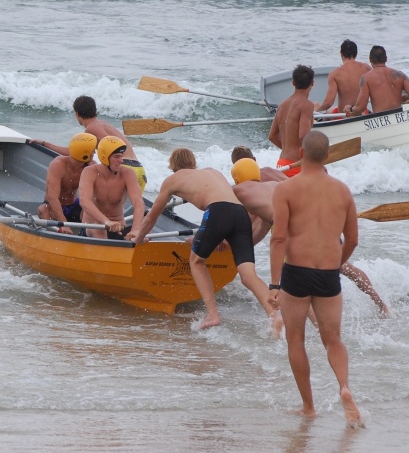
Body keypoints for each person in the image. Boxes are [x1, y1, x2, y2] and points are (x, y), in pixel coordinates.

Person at [128, 148, 282, 334]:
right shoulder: (212, 172)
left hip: (218, 211)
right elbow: (225, 208)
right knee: (248, 275)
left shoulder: (172, 180)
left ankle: (212, 314)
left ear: (173, 167)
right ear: (193, 164)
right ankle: (274, 316)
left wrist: (139, 237)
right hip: (240, 213)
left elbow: (153, 216)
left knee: (196, 261)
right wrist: (211, 237)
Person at [269, 130, 363, 427]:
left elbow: (278, 238)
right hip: (328, 275)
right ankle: (344, 387)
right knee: (333, 339)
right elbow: (352, 240)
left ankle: (309, 408)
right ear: (327, 156)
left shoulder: (285, 189)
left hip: (296, 272)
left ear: (300, 154)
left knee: (296, 340)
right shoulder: (343, 191)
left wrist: (274, 284)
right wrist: (336, 264)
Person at [230, 152, 389, 316]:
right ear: (254, 162)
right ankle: (380, 304)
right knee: (343, 266)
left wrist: (233, 245)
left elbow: (254, 230)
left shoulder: (248, 189)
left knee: (292, 282)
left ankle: (314, 323)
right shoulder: (273, 175)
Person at [35, 95, 147, 191]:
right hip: (139, 170)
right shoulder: (104, 124)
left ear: (77, 114)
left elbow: (73, 153)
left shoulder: (91, 128)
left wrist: (44, 143)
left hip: (123, 168)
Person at [78, 136, 146, 240]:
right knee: (99, 229)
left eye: (121, 156)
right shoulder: (90, 171)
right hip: (93, 227)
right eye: (117, 157)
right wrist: (106, 221)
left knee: (145, 230)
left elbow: (138, 203)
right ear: (104, 157)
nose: (121, 160)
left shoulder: (128, 173)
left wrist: (136, 229)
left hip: (118, 228)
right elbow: (84, 201)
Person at [36, 133, 97, 235]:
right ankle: (50, 237)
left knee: (89, 211)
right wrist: (63, 224)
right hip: (53, 207)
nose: (94, 152)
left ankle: (84, 236)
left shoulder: (90, 167)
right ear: (84, 153)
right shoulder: (58, 164)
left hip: (73, 205)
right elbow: (52, 197)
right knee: (43, 210)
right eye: (93, 150)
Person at [345, 45, 409, 115]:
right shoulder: (400, 75)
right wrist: (406, 97)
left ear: (370, 59)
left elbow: (360, 108)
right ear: (386, 58)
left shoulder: (366, 78)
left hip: (380, 119)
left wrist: (350, 108)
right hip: (398, 117)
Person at [268, 65, 315, 177]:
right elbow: (303, 136)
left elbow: (272, 136)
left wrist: (287, 150)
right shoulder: (306, 105)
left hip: (281, 164)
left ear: (293, 82)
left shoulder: (282, 105)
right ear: (312, 83)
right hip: (296, 165)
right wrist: (313, 159)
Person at [314, 40, 372, 114]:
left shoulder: (335, 74)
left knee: (328, 112)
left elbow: (329, 102)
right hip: (363, 113)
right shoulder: (367, 68)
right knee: (331, 111)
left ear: (341, 54)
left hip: (345, 115)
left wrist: (317, 109)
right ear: (356, 54)